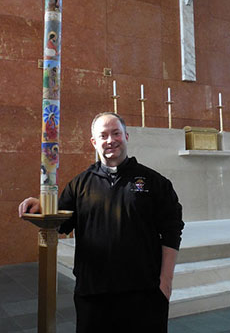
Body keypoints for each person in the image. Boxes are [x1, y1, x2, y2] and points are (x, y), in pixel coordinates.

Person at [19, 112, 184, 333]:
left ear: (126, 136)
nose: (110, 140)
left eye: (116, 133)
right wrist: (40, 204)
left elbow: (172, 231)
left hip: (143, 294)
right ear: (94, 142)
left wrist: (166, 281)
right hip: (93, 295)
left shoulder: (154, 182)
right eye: (103, 135)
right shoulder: (80, 184)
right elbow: (60, 220)